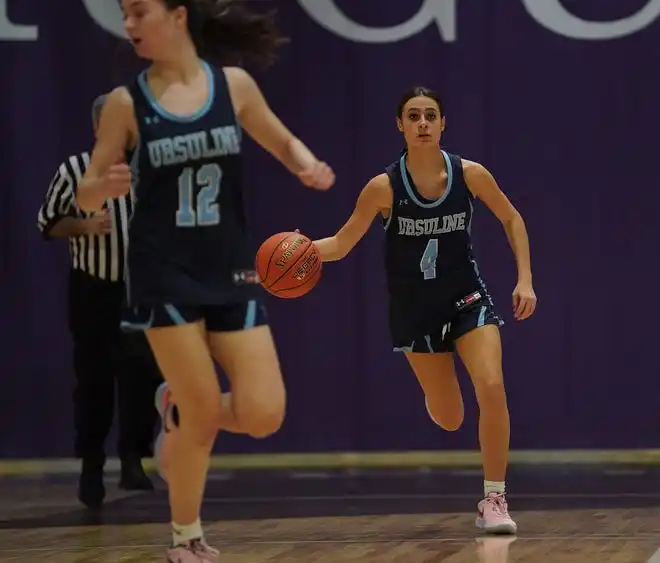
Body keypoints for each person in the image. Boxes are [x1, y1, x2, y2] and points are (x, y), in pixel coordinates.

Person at [76, 0, 335, 560]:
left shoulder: (233, 86)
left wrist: (307, 165)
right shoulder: (128, 103)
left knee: (264, 414)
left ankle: (173, 406)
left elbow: (282, 139)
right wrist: (104, 187)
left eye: (139, 11)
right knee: (202, 422)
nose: (128, 25)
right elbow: (88, 187)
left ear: (177, 15)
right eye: (124, 14)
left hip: (229, 267)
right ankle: (186, 538)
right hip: (162, 272)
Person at [312, 87, 537, 535]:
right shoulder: (383, 187)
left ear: (442, 123)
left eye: (430, 115)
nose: (422, 123)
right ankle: (438, 383)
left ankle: (494, 497)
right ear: (400, 125)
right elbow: (340, 243)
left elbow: (512, 218)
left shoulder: (469, 174)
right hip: (415, 311)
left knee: (491, 385)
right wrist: (298, 252)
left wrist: (525, 278)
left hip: (465, 297)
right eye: (413, 116)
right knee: (451, 417)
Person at [37, 94, 163, 509]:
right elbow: (49, 223)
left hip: (140, 288)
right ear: (97, 128)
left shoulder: (149, 170)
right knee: (94, 380)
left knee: (142, 375)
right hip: (94, 288)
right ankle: (92, 466)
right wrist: (85, 224)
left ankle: (133, 459)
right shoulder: (75, 170)